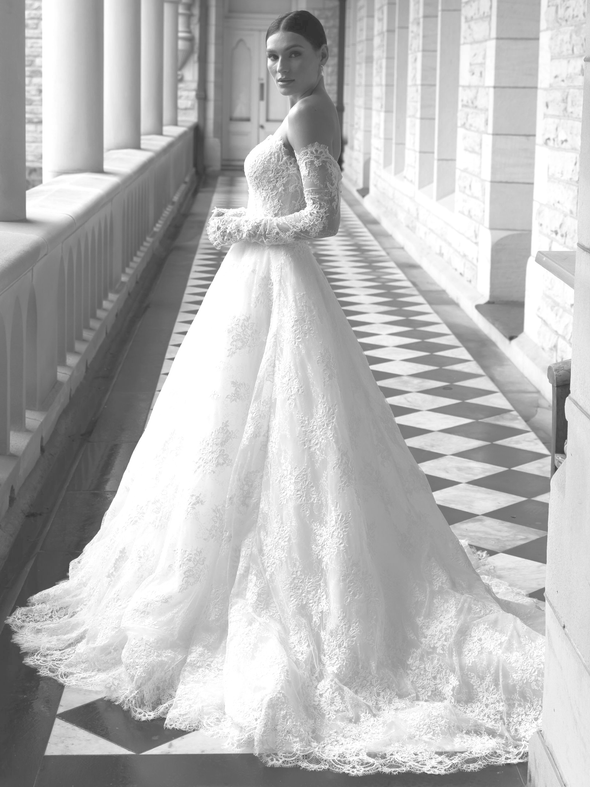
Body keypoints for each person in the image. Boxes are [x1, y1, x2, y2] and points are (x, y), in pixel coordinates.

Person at [7, 10, 544, 777]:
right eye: (271, 56)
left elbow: (323, 220)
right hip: (258, 292)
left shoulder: (311, 110)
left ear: (322, 57)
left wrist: (241, 225)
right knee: (238, 440)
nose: (280, 65)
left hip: (281, 287)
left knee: (291, 442)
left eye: (294, 53)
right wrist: (247, 228)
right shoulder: (299, 111)